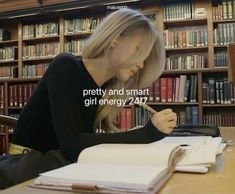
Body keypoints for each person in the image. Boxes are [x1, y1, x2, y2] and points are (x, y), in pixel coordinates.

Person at [0, 8, 177, 188]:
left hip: (57, 172)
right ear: (115, 39)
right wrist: (146, 134)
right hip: (26, 172)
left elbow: (79, 144)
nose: (141, 64)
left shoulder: (104, 89)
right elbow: (72, 145)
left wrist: (137, 135)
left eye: (145, 58)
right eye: (139, 50)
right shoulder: (66, 65)